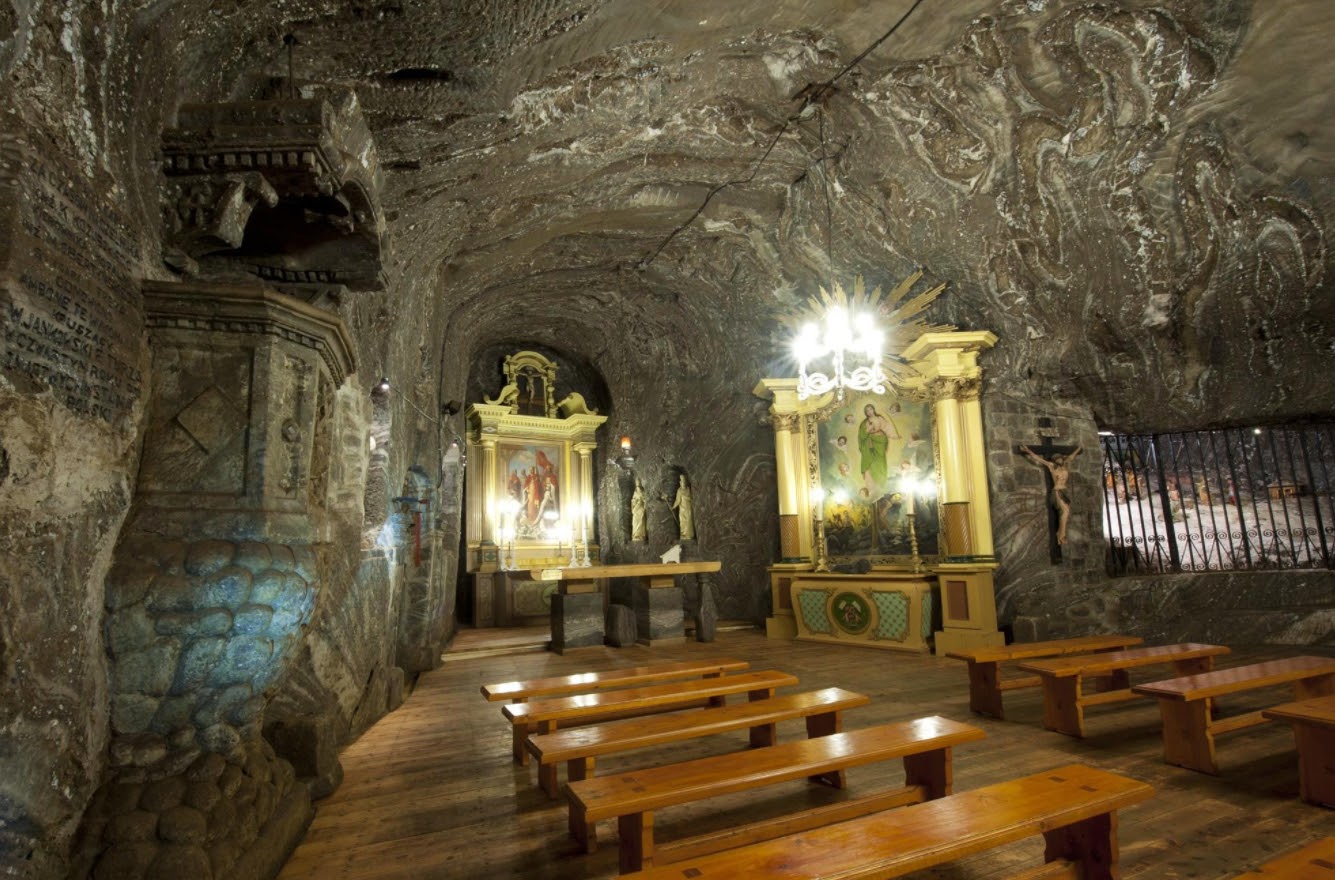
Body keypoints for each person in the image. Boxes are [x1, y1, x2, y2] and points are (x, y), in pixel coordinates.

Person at [1019, 444, 1082, 545]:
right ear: (1054, 460)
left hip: (1065, 491)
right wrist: (1028, 450)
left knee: (1065, 513)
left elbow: (1072, 456)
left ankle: (1060, 533)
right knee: (1065, 511)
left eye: (1060, 458)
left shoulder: (1065, 465)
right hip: (1057, 491)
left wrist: (1079, 448)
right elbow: (1038, 459)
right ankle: (1062, 535)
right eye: (1057, 459)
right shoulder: (1052, 466)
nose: (1060, 460)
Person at [857, 403, 897, 492]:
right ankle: (871, 488)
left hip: (880, 442)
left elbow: (887, 427)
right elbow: (862, 436)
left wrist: (893, 435)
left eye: (870, 409)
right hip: (869, 445)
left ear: (873, 409)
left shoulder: (880, 418)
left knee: (880, 463)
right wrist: (868, 429)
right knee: (871, 465)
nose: (869, 412)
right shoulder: (864, 423)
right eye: (867, 411)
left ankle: (881, 485)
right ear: (865, 413)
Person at [671, 474, 695, 541]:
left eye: (684, 481)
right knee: (683, 521)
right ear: (680, 482)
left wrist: (688, 498)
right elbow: (677, 500)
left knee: (689, 521)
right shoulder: (679, 490)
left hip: (688, 508)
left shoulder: (688, 489)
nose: (683, 483)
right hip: (682, 509)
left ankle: (689, 535)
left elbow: (692, 498)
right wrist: (673, 507)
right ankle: (683, 534)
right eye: (682, 481)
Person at [631, 477, 647, 542]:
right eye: (636, 482)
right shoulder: (635, 492)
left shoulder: (643, 491)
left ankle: (641, 535)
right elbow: (633, 501)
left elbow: (645, 499)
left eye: (639, 482)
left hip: (641, 509)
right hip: (636, 509)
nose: (638, 484)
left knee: (641, 522)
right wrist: (636, 502)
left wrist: (643, 502)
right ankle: (635, 535)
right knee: (635, 522)